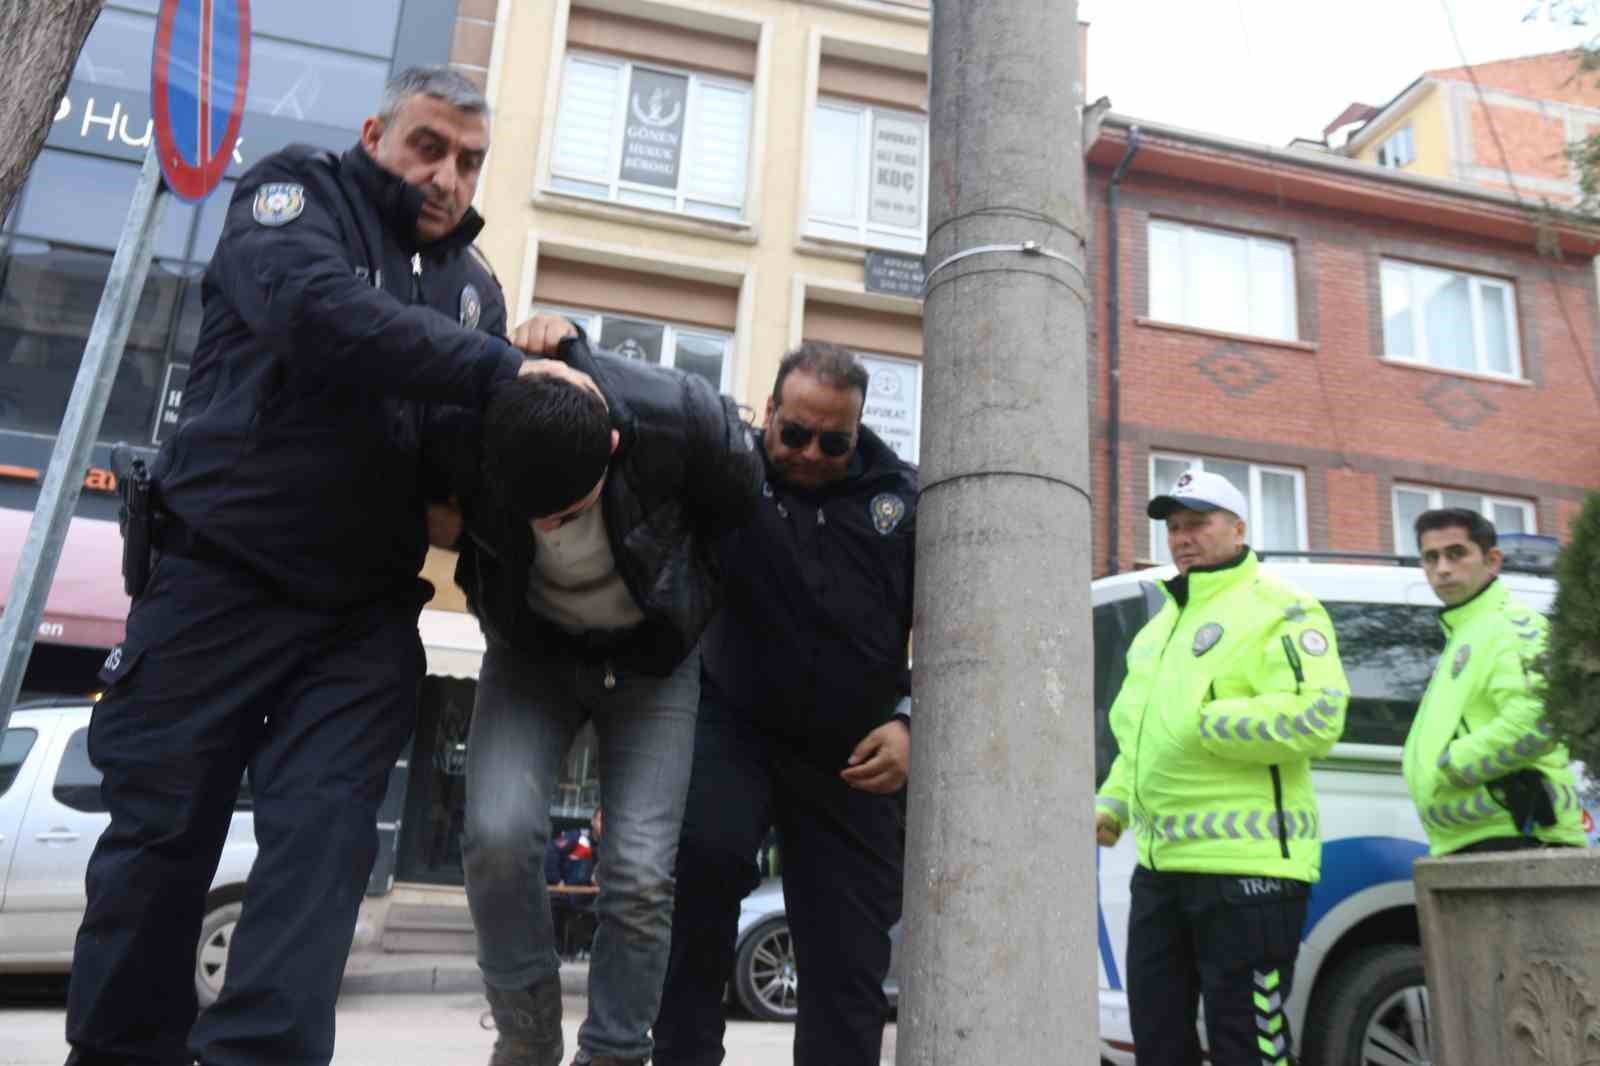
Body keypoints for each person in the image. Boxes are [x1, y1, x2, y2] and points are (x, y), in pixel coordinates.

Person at [64, 67, 586, 1066]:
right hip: (218, 580)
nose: (447, 176)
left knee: (325, 849)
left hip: (360, 617)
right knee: (162, 840)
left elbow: (463, 458)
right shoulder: (294, 195)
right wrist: (497, 369)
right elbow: (316, 314)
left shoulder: (474, 293)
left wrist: (560, 398)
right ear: (375, 134)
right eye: (428, 146)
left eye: (470, 161)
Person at [427, 340, 763, 1066]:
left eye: (566, 512)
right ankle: (526, 1039)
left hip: (651, 667)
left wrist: (696, 612)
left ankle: (613, 1054)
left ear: (612, 447)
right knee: (496, 836)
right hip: (531, 658)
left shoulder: (682, 421)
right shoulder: (469, 431)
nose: (548, 529)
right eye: (534, 517)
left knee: (641, 873)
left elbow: (745, 506)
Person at [652, 342, 917, 1066]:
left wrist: (911, 722)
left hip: (856, 754)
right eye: (794, 434)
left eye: (835, 442)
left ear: (858, 432)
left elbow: (964, 631)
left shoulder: (904, 500)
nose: (810, 454)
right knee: (697, 888)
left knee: (849, 959)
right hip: (733, 721)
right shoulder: (730, 467)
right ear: (768, 412)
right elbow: (644, 400)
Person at [1093, 469, 1349, 1066]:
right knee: (1157, 1043)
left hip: (1248, 877)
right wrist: (1113, 802)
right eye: (1173, 527)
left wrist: (1207, 720)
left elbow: (1318, 716)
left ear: (1238, 528)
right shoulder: (1159, 630)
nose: (1182, 537)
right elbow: (1138, 739)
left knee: (1248, 1048)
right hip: (1160, 872)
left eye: (1197, 523)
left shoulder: (1282, 608)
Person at [1403, 508, 1587, 856]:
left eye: (1456, 553)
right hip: (1484, 836)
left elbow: (1540, 719)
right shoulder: (1467, 632)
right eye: (1431, 557)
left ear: (1492, 560)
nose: (1442, 568)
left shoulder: (1511, 625)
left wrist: (1451, 765)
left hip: (1521, 834)